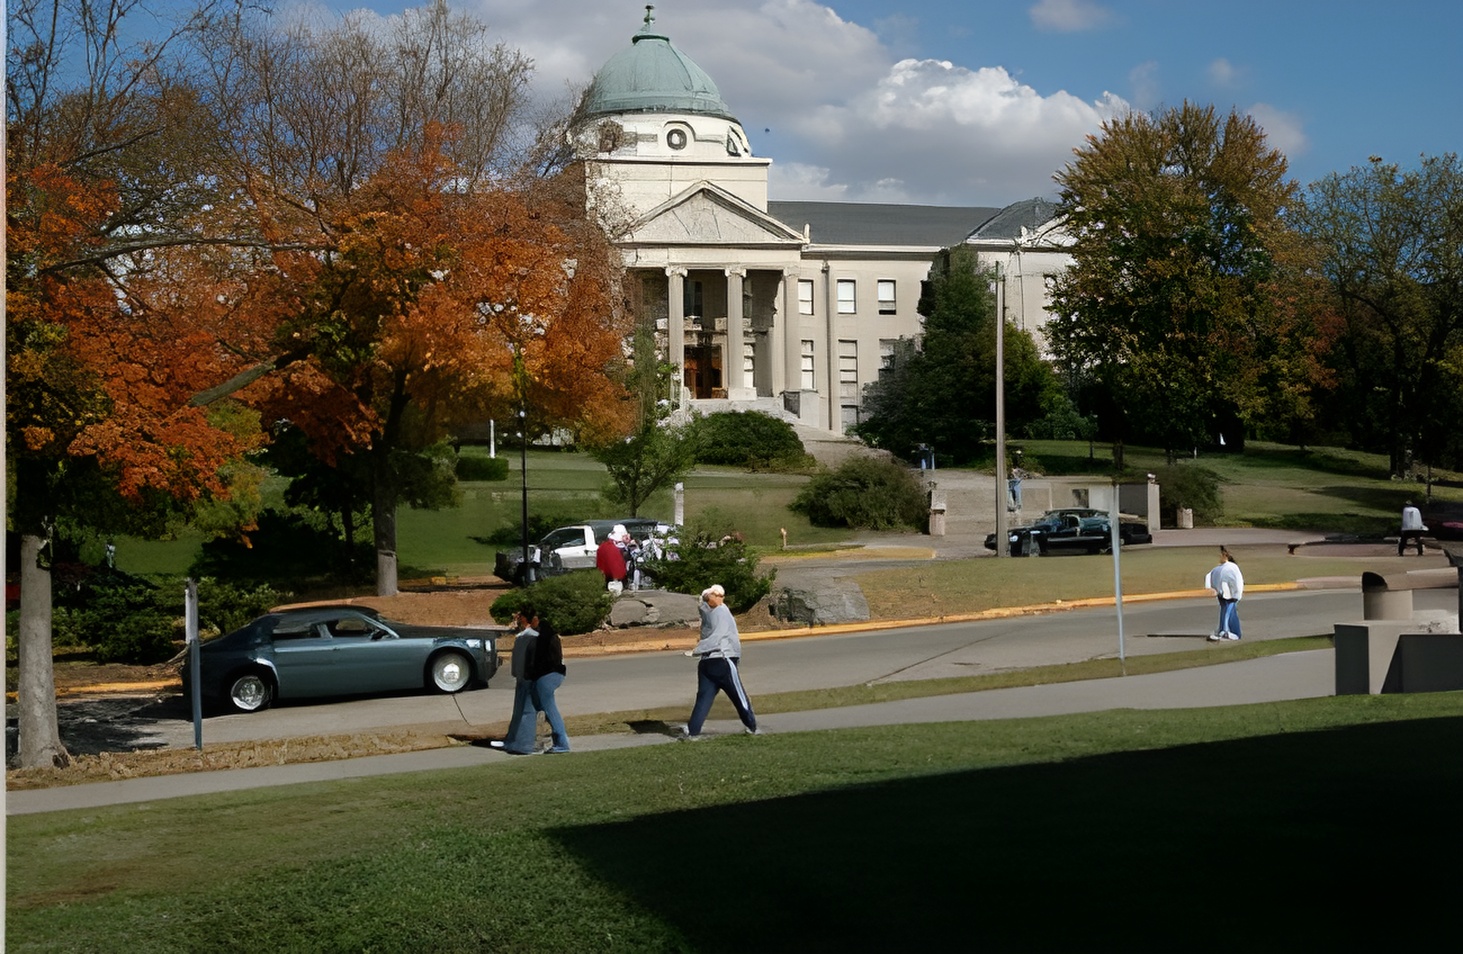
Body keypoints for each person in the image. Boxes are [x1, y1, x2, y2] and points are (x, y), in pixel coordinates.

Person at [682, 583, 759, 738]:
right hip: (723, 659)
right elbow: (719, 636)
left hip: (706, 663)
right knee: (739, 695)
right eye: (718, 595)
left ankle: (693, 732)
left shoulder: (704, 611)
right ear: (711, 597)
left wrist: (698, 650)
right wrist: (699, 649)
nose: (722, 598)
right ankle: (752, 726)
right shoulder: (722, 611)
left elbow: (703, 602)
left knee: (703, 698)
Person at [493, 605, 541, 754]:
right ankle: (512, 740)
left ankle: (524, 744)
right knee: (520, 711)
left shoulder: (528, 637)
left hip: (529, 678)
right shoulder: (528, 636)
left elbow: (522, 661)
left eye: (519, 617)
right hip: (525, 677)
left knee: (527, 711)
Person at [526, 618, 570, 753]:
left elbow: (536, 662)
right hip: (554, 674)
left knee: (549, 708)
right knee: (538, 707)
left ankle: (562, 743)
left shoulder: (541, 639)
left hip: (546, 676)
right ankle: (536, 740)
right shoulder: (551, 637)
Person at [1205, 547, 1244, 642]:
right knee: (1227, 612)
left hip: (1229, 595)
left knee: (1228, 612)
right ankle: (1226, 630)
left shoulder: (1231, 567)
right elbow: (1210, 576)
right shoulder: (1220, 568)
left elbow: (1236, 582)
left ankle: (1227, 632)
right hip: (1223, 594)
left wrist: (1236, 595)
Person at [596, 529, 627, 594]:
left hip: (607, 574)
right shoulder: (611, 548)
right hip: (614, 577)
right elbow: (615, 565)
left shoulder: (604, 546)